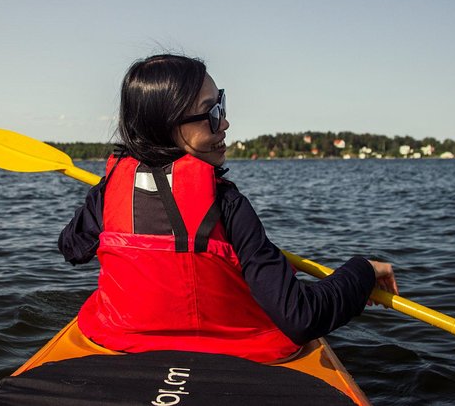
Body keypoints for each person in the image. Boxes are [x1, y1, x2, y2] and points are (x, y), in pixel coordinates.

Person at [58, 53, 399, 363]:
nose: (224, 124)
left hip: (121, 342)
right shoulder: (228, 205)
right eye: (211, 113)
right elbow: (301, 319)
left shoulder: (111, 190)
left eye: (221, 104)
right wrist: (362, 271)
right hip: (237, 352)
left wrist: (108, 190)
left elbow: (72, 248)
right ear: (168, 124)